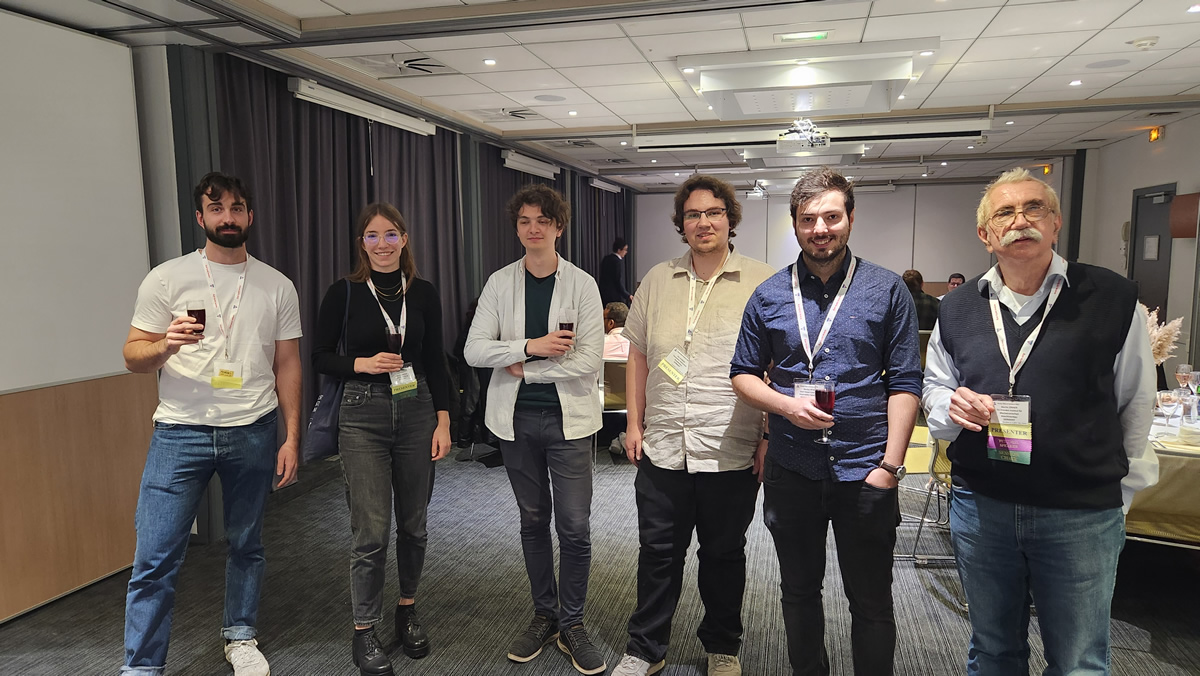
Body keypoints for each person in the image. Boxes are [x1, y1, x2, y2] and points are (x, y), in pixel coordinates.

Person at [922, 167, 1159, 676]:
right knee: (992, 652)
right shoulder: (957, 307)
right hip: (982, 506)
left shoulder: (1112, 298)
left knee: (1078, 661)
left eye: (1034, 208)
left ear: (1055, 223)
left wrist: (1118, 495)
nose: (1020, 220)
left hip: (1079, 512)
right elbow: (936, 388)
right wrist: (950, 408)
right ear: (985, 234)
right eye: (1004, 213)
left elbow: (1137, 403)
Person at [729, 167, 921, 676]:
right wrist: (785, 405)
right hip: (792, 469)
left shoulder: (887, 290)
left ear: (850, 218)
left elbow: (906, 382)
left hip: (865, 469)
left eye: (831, 217)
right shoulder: (769, 294)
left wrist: (890, 467)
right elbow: (742, 374)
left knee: (871, 599)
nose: (820, 229)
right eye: (809, 219)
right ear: (795, 224)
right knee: (798, 592)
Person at [121, 172, 302, 676]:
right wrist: (167, 345)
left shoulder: (276, 285)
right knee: (155, 555)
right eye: (216, 208)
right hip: (180, 432)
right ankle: (142, 666)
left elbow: (288, 363)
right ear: (200, 217)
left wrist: (291, 436)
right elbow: (133, 356)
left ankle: (240, 635)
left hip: (253, 429)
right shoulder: (166, 278)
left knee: (247, 543)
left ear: (250, 216)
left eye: (236, 208)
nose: (228, 217)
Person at [611, 175, 775, 676]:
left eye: (713, 213)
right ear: (681, 224)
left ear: (730, 219)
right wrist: (633, 423)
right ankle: (646, 648)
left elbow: (776, 366)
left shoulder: (762, 281)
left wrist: (767, 435)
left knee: (723, 555)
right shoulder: (657, 279)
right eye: (692, 214)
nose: (703, 222)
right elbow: (637, 355)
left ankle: (722, 646)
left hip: (730, 444)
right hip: (663, 444)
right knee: (657, 553)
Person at [464, 184, 606, 675]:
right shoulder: (499, 282)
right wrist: (531, 346)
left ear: (558, 227)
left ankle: (573, 622)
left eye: (543, 221)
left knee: (575, 526)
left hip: (570, 422)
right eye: (525, 221)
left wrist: (529, 368)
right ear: (517, 227)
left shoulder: (582, 284)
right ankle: (545, 614)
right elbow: (474, 350)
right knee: (532, 521)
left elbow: (589, 360)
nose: (533, 229)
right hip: (516, 421)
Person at [312, 203, 453, 676]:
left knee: (414, 524)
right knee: (370, 530)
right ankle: (364, 628)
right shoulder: (344, 292)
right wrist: (362, 364)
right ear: (362, 244)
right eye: (372, 236)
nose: (382, 244)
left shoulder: (424, 293)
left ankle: (406, 608)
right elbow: (319, 356)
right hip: (362, 413)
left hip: (416, 410)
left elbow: (435, 360)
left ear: (404, 239)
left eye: (391, 234)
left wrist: (444, 421)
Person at [600, 237, 633, 306]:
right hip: (614, 297)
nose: (626, 252)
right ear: (619, 250)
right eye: (625, 249)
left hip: (603, 295)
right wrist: (627, 295)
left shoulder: (606, 259)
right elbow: (618, 281)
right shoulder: (617, 262)